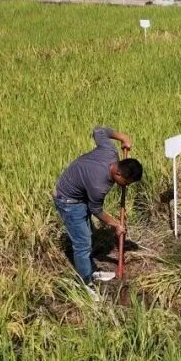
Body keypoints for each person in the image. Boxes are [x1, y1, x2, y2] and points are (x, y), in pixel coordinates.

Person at [54, 126, 142, 298]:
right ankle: (85, 283)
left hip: (79, 193)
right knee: (82, 243)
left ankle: (91, 270)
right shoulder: (98, 185)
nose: (126, 186)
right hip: (68, 200)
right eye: (126, 182)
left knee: (86, 234)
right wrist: (116, 224)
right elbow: (96, 210)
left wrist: (121, 136)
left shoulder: (110, 151)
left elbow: (99, 131)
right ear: (117, 172)